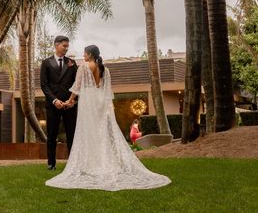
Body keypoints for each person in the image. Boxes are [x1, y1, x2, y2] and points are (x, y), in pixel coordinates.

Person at [46, 45, 170, 191]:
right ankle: (104, 162)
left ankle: (92, 164)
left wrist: (70, 100)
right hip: (100, 101)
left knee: (89, 132)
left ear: (90, 54)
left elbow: (77, 87)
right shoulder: (106, 69)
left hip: (89, 101)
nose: (83, 55)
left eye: (85, 53)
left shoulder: (84, 67)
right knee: (100, 132)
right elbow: (107, 91)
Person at [40, 35, 78, 170]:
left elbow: (77, 84)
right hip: (52, 105)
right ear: (56, 45)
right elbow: (44, 85)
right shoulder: (46, 63)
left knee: (72, 135)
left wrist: (73, 100)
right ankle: (51, 163)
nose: (66, 48)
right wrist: (54, 100)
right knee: (51, 135)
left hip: (69, 105)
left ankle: (73, 165)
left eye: (67, 46)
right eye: (64, 46)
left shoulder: (72, 63)